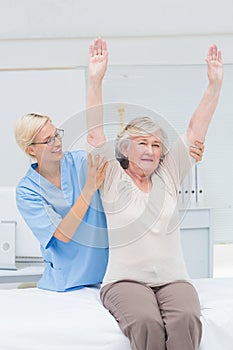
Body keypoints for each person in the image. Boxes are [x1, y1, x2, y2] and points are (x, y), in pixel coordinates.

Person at [87, 38, 223, 349]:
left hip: (173, 280)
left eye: (156, 145)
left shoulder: (167, 176)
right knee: (147, 323)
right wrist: (96, 79)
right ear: (125, 148)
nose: (150, 150)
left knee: (186, 319)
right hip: (124, 282)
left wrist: (213, 87)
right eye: (142, 143)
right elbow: (95, 134)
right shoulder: (112, 179)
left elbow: (194, 132)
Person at [14, 113, 108, 292]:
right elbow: (63, 235)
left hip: (105, 276)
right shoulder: (27, 191)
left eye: (57, 134)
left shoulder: (79, 162)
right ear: (31, 150)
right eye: (48, 140)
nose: (57, 143)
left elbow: (104, 153)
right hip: (66, 282)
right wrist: (88, 190)